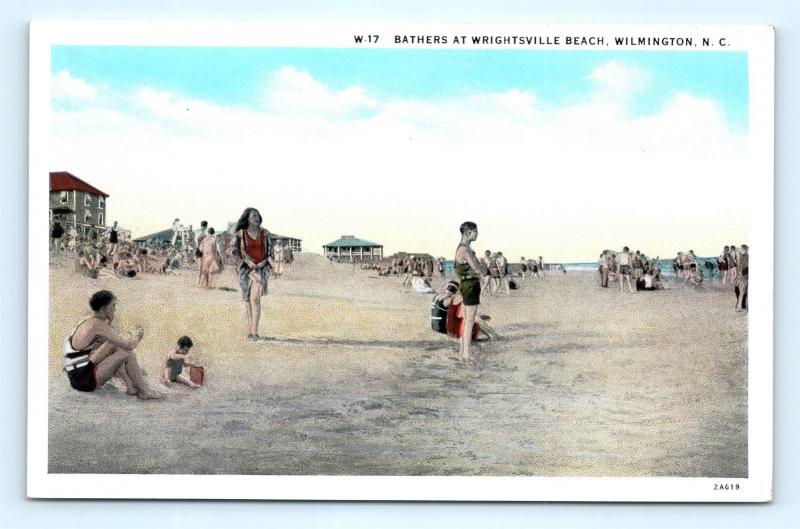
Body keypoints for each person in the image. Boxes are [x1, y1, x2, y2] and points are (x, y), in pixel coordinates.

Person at [63, 290, 163, 399]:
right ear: (104, 308)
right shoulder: (98, 325)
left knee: (113, 345)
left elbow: (104, 347)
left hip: (77, 377)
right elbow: (128, 346)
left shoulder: (88, 321)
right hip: (84, 381)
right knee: (127, 353)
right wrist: (137, 337)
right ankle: (145, 391)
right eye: (113, 305)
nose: (115, 309)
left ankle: (130, 385)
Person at [233, 207, 272, 340]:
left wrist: (263, 262)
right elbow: (236, 252)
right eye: (254, 216)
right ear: (247, 218)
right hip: (246, 270)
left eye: (258, 215)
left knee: (255, 298)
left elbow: (270, 252)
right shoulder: (241, 233)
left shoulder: (265, 233)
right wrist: (247, 262)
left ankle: (255, 331)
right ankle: (251, 329)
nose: (257, 218)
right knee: (247, 299)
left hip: (260, 269)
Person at [454, 222, 487, 362]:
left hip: (467, 285)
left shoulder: (461, 248)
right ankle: (466, 354)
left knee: (468, 320)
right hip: (470, 286)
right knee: (469, 321)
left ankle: (464, 352)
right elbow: (479, 269)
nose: (477, 234)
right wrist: (483, 264)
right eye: (475, 231)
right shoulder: (465, 249)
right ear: (468, 232)